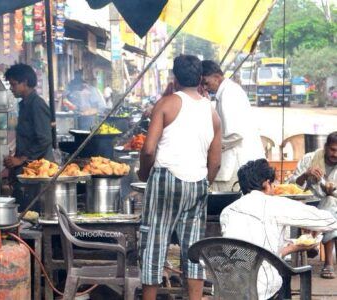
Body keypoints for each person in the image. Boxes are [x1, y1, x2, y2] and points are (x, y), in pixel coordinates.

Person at [137, 54, 222, 300]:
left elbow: (149, 149)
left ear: (174, 77)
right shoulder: (212, 112)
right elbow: (214, 162)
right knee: (193, 247)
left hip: (166, 178)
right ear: (199, 78)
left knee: (155, 241)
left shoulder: (166, 103)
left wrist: (144, 173)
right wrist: (205, 183)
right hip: (198, 182)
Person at [221, 159, 337, 299]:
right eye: (273, 183)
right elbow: (329, 221)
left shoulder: (227, 211)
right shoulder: (274, 204)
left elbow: (249, 251)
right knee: (284, 274)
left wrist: (291, 248)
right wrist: (313, 233)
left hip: (229, 291)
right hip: (263, 292)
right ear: (266, 184)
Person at [201, 60, 264, 192]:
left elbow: (235, 135)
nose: (205, 87)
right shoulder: (227, 91)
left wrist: (212, 148)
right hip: (237, 166)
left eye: (206, 83)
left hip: (236, 167)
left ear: (217, 77)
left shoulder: (228, 93)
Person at [3, 63, 53, 209]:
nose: (11, 89)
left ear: (24, 83)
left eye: (13, 84)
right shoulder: (24, 104)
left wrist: (21, 159)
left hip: (38, 171)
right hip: (28, 170)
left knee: (34, 211)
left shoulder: (36, 104)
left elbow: (44, 139)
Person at [288, 131, 337, 279]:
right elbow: (291, 187)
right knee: (330, 208)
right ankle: (327, 262)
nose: (335, 154)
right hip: (307, 206)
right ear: (325, 147)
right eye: (333, 150)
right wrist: (305, 175)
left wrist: (331, 191)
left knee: (330, 203)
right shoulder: (310, 159)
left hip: (331, 208)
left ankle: (314, 243)